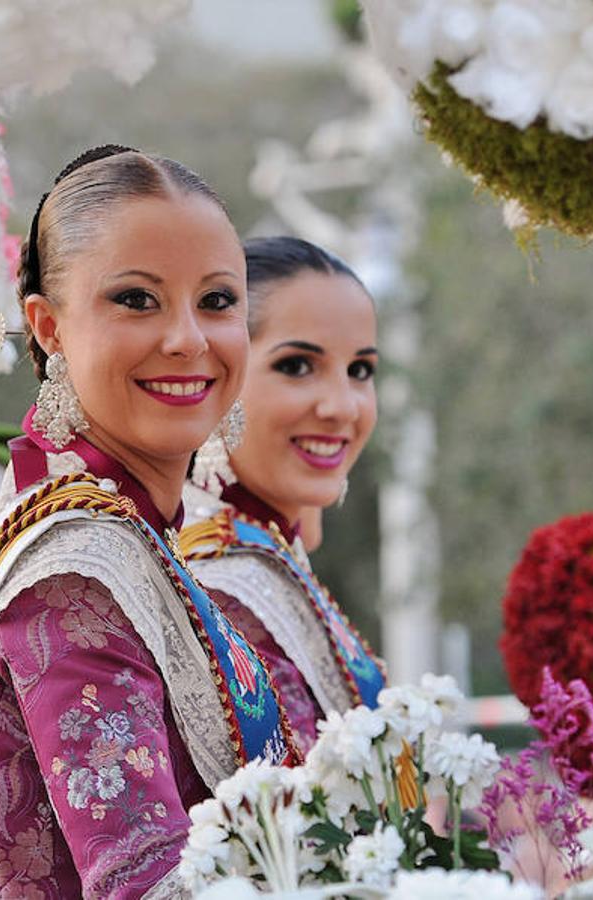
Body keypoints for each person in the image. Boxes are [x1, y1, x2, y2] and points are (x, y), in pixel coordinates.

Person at [0, 147, 300, 899]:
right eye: (136, 299)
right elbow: (148, 883)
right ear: (47, 327)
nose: (188, 339)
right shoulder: (75, 576)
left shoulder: (127, 540)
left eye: (217, 301)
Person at [181, 236, 386, 747]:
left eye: (360, 370)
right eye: (297, 366)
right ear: (215, 373)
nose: (343, 407)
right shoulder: (215, 586)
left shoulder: (272, 560)